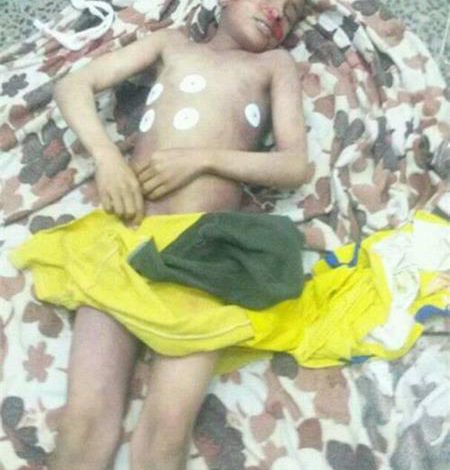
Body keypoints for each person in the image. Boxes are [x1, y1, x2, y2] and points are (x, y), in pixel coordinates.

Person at [47, 0, 307, 468]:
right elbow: (73, 85)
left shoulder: (274, 64)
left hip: (205, 257)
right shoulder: (171, 44)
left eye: (291, 14)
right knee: (83, 422)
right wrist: (107, 157)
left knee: (166, 431)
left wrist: (201, 159)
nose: (278, 13)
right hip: (126, 240)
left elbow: (294, 164)